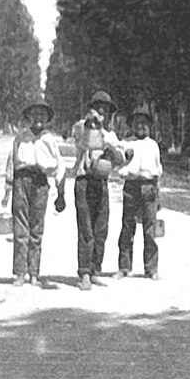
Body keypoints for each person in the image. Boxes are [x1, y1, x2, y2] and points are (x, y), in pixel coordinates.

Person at [1, 102, 67, 287]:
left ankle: (34, 273)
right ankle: (20, 272)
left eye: (42, 115)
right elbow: (12, 163)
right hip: (22, 181)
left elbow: (59, 166)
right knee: (20, 227)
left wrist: (61, 193)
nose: (38, 118)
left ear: (47, 119)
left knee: (37, 228)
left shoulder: (50, 140)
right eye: (34, 114)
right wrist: (7, 190)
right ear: (28, 117)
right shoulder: (21, 138)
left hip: (40, 183)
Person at [69, 91, 125, 290]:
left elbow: (120, 159)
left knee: (101, 228)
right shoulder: (81, 126)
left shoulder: (111, 135)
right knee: (86, 228)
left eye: (106, 109)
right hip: (84, 181)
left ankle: (94, 270)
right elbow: (82, 140)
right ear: (91, 108)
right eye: (98, 107)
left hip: (101, 183)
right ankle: (83, 272)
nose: (102, 111)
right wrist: (93, 125)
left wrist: (114, 152)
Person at [115, 106, 163, 281]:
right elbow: (116, 161)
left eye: (144, 123)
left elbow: (158, 171)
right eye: (137, 123)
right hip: (131, 186)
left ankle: (151, 268)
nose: (140, 126)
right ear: (131, 125)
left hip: (149, 187)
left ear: (150, 126)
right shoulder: (126, 143)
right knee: (128, 227)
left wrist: (158, 195)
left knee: (150, 229)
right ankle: (124, 267)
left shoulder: (153, 146)